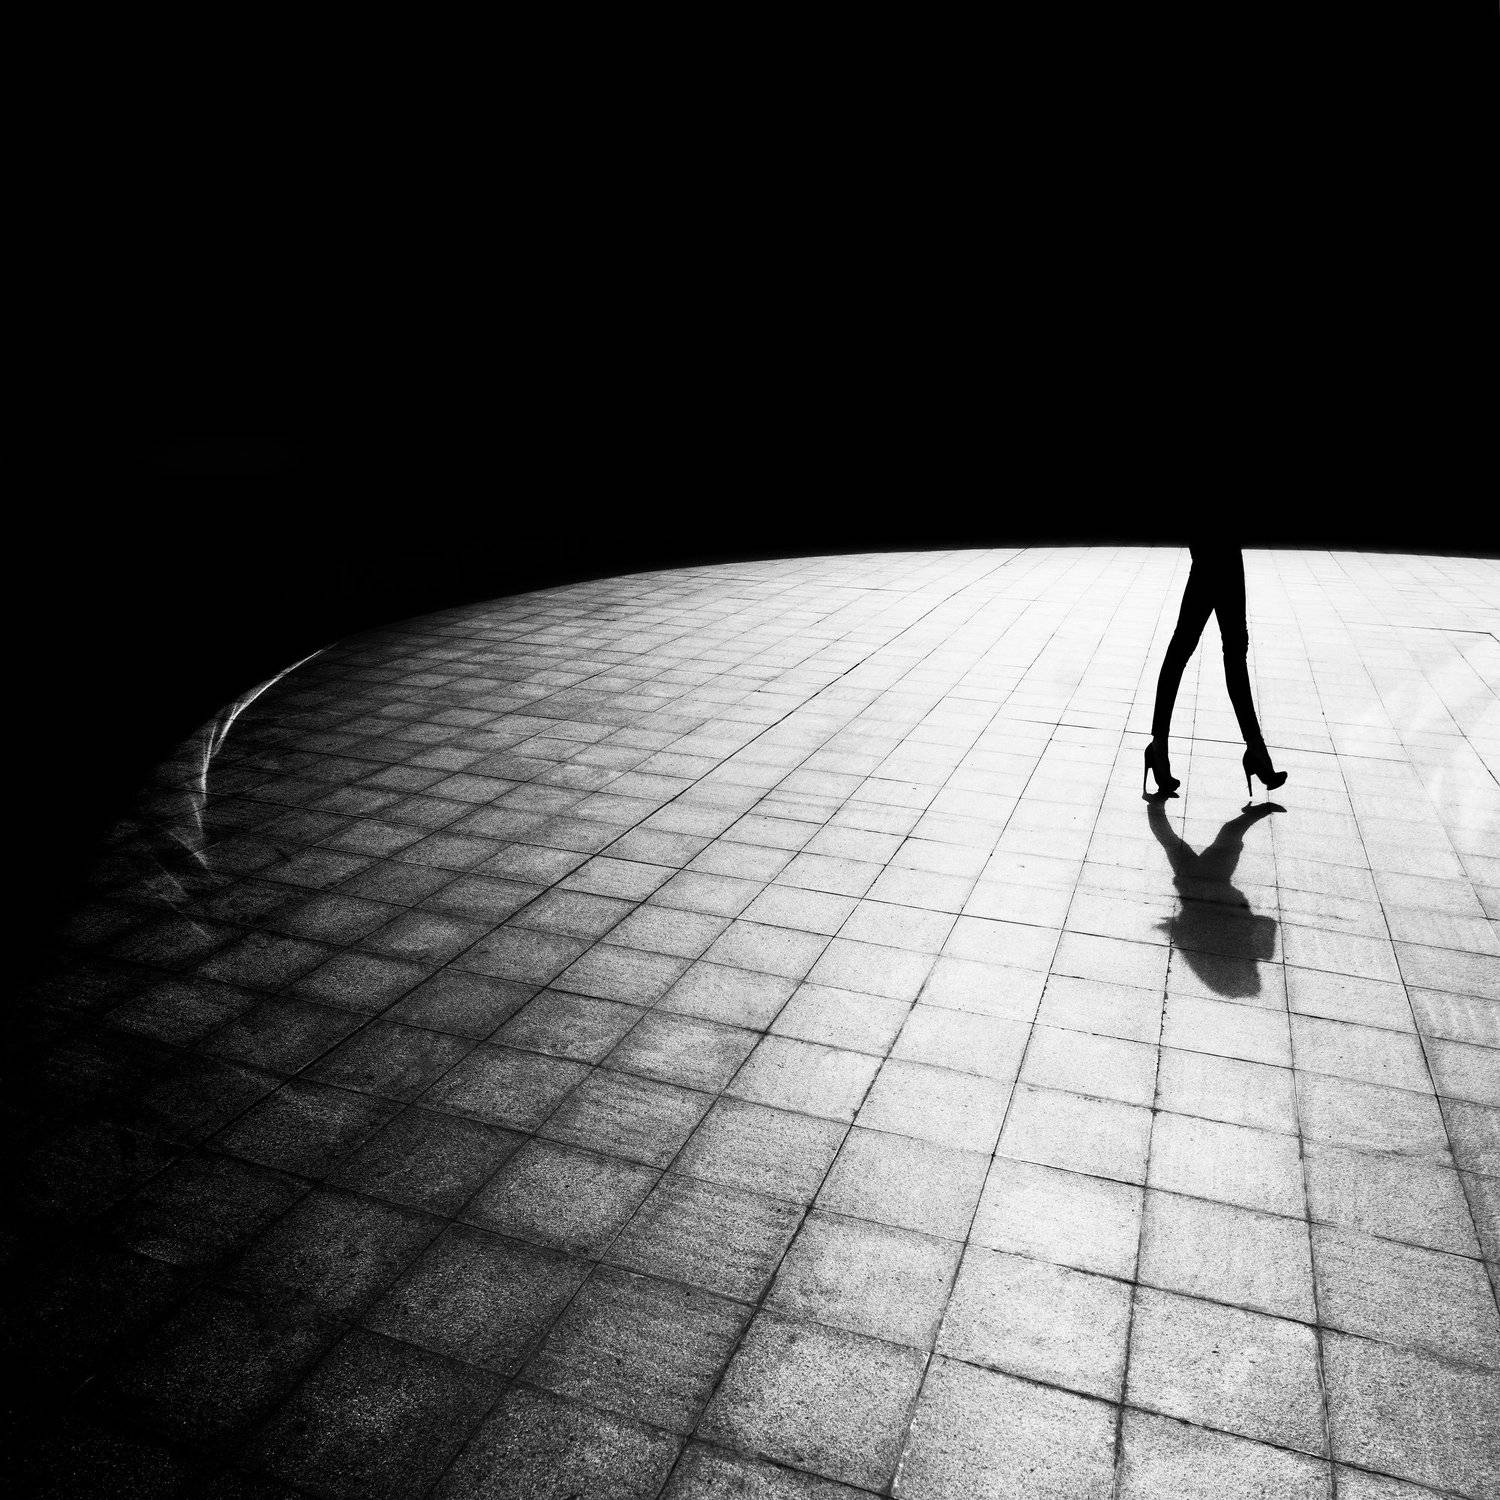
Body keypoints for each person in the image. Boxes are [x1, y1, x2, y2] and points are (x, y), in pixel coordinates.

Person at [1144, 540, 1287, 798]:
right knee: (1216, 652)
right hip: (1214, 554)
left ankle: (1160, 745)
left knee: (1195, 651)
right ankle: (1254, 749)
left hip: (1219, 553)